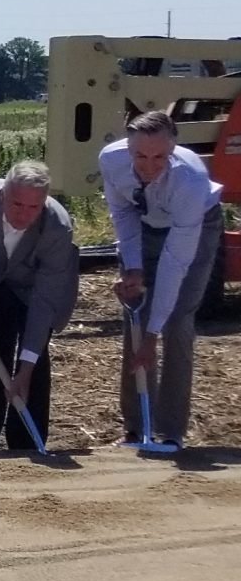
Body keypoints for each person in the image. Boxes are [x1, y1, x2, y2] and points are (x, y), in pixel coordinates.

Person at [101, 110, 221, 451]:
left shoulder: (191, 181)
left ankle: (171, 431)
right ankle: (137, 428)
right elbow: (123, 213)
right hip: (143, 225)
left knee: (177, 320)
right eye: (140, 155)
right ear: (128, 149)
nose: (149, 165)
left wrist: (153, 335)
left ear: (173, 149)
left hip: (194, 227)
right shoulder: (111, 160)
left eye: (159, 157)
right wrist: (134, 267)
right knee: (134, 312)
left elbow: (176, 262)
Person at [0, 161, 79, 452]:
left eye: (33, 208)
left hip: (36, 289)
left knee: (33, 359)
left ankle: (26, 443)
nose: (24, 214)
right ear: (1, 196)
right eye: (16, 204)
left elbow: (45, 300)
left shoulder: (57, 226)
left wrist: (25, 369)